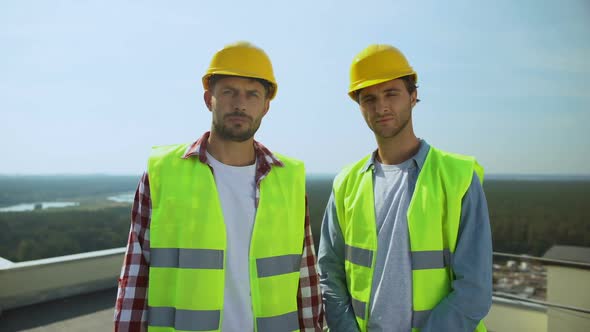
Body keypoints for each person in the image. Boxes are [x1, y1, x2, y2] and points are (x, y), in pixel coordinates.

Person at [114, 41, 323, 332]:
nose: (240, 103)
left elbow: (306, 277)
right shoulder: (163, 173)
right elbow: (136, 277)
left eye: (252, 94)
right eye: (229, 92)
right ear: (208, 98)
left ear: (266, 106)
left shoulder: (289, 179)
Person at [317, 44, 492, 332]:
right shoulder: (345, 184)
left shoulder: (458, 178)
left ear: (413, 96)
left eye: (391, 94)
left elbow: (474, 290)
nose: (381, 107)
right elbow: (330, 274)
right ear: (359, 106)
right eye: (369, 98)